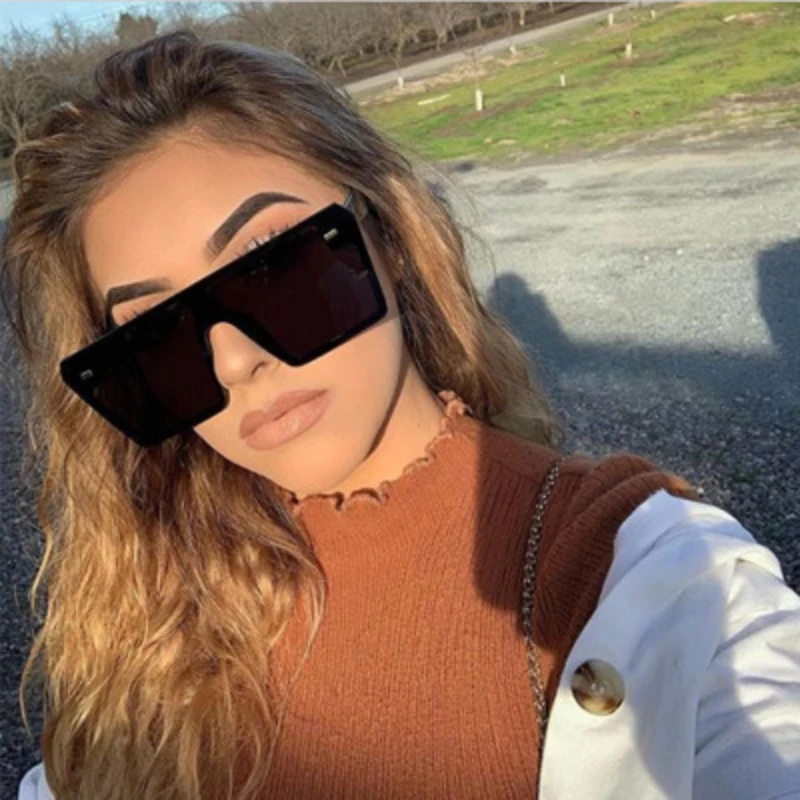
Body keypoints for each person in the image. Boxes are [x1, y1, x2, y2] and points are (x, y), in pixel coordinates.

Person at [3, 31, 799, 800]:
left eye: (271, 264)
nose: (233, 360)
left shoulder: (652, 577)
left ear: (387, 236)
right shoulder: (146, 613)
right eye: (156, 331)